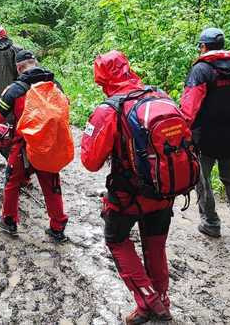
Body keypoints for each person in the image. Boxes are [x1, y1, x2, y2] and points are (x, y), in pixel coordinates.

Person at [81, 50, 175, 324]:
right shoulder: (160, 96)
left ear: (101, 78)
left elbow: (90, 161)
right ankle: (159, 301)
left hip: (127, 195)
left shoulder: (109, 109)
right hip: (163, 189)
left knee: (117, 240)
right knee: (155, 245)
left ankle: (151, 302)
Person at [180, 27, 230, 247]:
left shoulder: (201, 70)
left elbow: (190, 106)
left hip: (206, 136)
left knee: (202, 179)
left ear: (203, 46)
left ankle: (211, 223)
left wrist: (184, 133)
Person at [0, 50, 69, 242]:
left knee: (12, 181)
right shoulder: (55, 85)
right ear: (35, 62)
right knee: (52, 185)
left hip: (24, 146)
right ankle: (58, 227)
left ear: (19, 68)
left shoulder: (16, 89)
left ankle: (9, 220)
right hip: (47, 145)